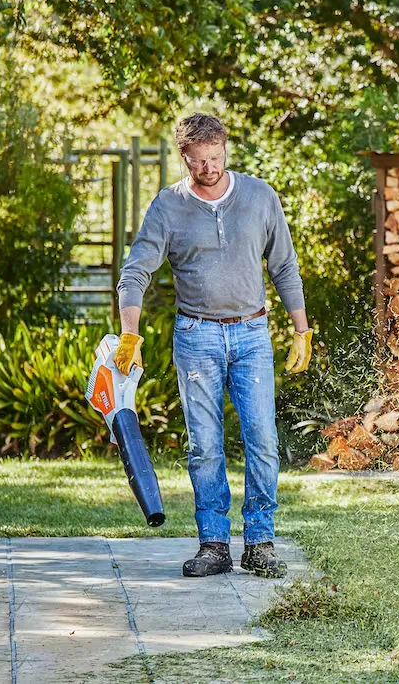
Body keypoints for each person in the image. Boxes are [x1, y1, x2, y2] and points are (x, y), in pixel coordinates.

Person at [113, 113, 312, 579]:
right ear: (184, 157)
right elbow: (135, 273)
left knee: (262, 439)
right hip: (196, 335)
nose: (209, 168)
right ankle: (214, 544)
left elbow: (284, 266)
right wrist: (130, 333)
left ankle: (260, 542)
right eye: (199, 161)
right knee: (205, 446)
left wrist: (302, 329)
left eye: (216, 157)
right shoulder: (167, 207)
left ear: (226, 148)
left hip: (252, 334)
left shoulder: (260, 197)